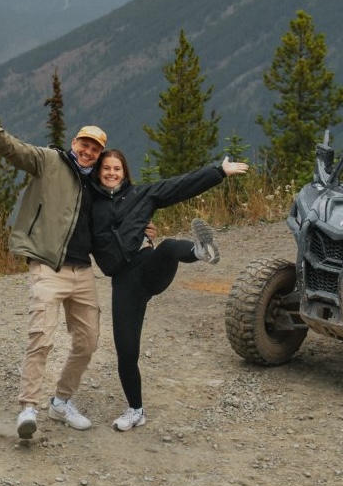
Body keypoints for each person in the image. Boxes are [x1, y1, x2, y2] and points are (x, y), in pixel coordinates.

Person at [0, 100, 105, 439]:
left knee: (88, 342)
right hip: (48, 265)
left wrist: (145, 231)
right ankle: (29, 406)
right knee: (41, 335)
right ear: (74, 143)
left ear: (100, 154)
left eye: (95, 148)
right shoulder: (50, 161)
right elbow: (14, 151)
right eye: (84, 144)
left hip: (82, 271)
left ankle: (61, 402)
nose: (88, 151)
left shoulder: (101, 186)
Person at [84, 148, 248, 431]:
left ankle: (199, 251)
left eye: (117, 169)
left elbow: (180, 186)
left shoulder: (143, 195)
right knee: (126, 351)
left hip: (149, 268)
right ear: (99, 173)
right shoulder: (91, 205)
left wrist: (218, 172)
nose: (111, 173)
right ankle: (136, 410)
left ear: (125, 173)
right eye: (106, 169)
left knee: (170, 246)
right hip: (123, 283)